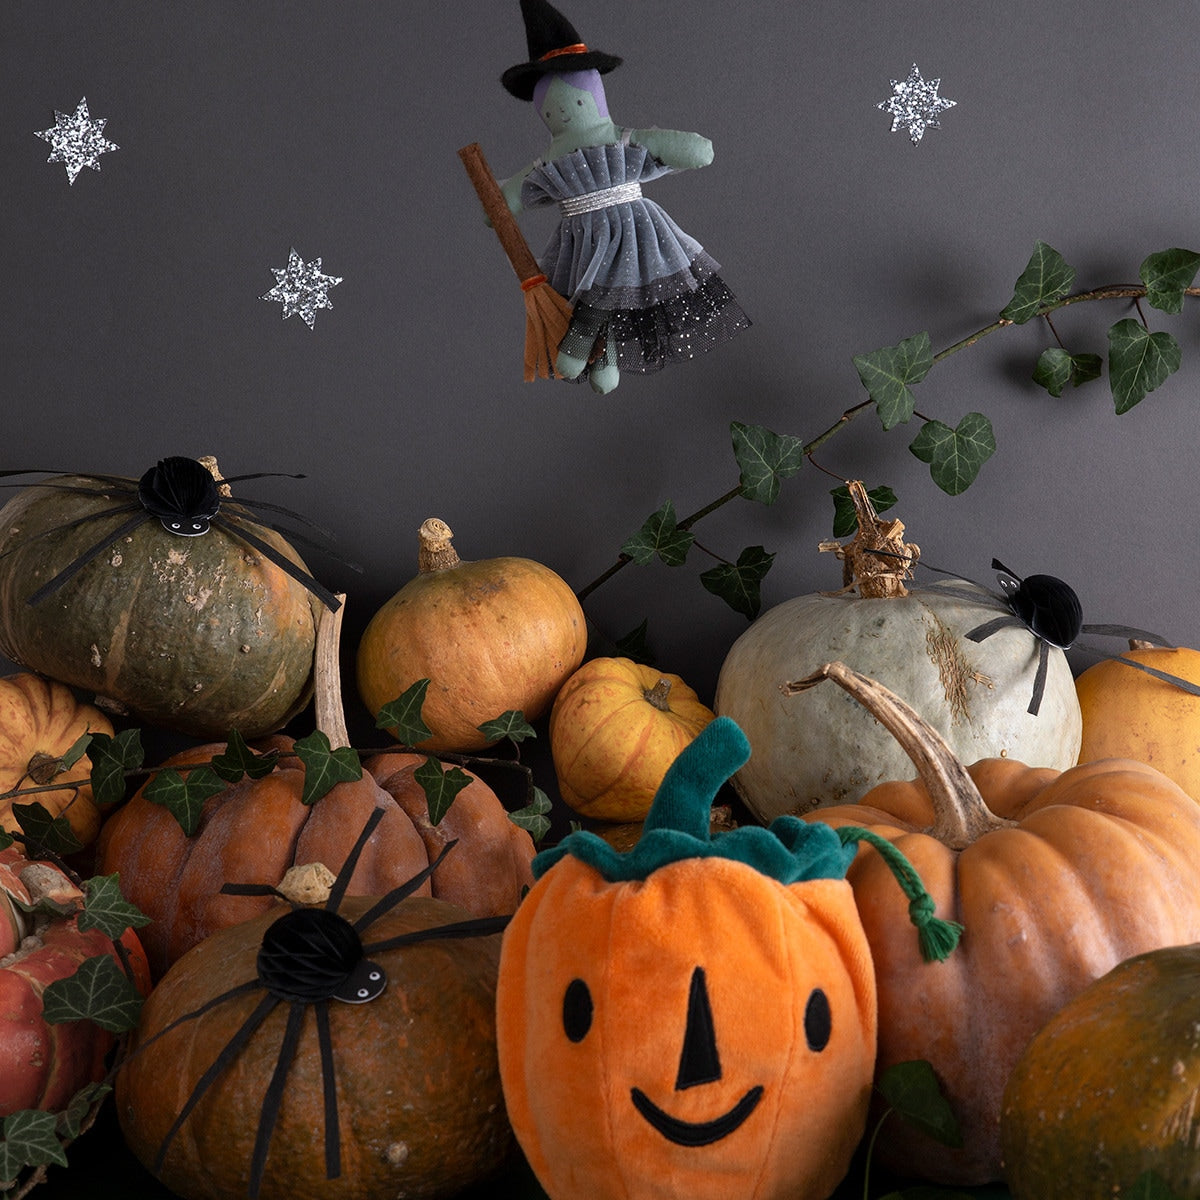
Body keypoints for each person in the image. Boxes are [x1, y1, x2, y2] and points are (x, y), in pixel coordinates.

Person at [498, 0, 749, 393]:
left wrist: (498, 202)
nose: (564, 111)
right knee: (595, 285)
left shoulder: (621, 142)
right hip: (581, 237)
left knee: (608, 282)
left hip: (630, 231)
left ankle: (582, 343)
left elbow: (691, 151)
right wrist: (498, 202)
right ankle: (603, 358)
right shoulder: (555, 160)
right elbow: (513, 195)